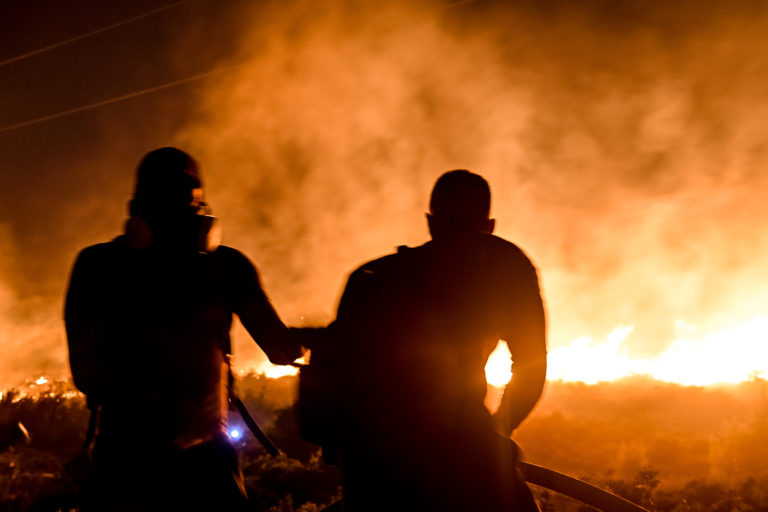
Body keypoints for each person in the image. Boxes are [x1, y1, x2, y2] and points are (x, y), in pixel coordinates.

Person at [64, 147, 302, 511]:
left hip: (128, 463)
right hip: (189, 467)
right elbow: (284, 348)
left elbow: (87, 373)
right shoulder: (228, 266)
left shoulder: (96, 266)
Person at [303, 170, 547, 512]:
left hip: (369, 462)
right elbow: (532, 365)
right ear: (489, 225)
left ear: (430, 222)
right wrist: (495, 433)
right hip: (456, 451)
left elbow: (335, 382)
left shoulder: (370, 278)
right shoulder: (503, 265)